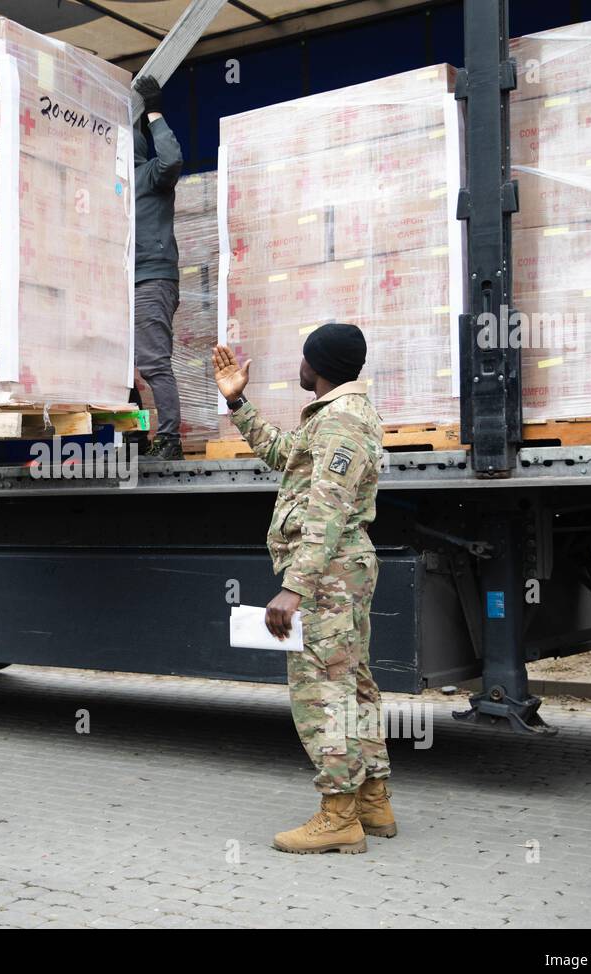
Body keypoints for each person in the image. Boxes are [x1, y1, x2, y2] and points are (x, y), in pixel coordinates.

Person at [212, 324, 395, 854]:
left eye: (303, 357)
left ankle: (339, 815)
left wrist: (294, 587)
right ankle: (372, 799)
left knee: (322, 691)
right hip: (339, 570)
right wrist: (238, 401)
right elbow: (283, 455)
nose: (299, 364)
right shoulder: (335, 417)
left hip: (327, 573)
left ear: (319, 365)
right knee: (354, 682)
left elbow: (327, 511)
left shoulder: (340, 422)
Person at [131, 74, 184, 460]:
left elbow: (172, 159)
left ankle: (169, 440)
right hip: (120, 283)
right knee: (121, 364)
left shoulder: (150, 174)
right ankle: (137, 434)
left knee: (152, 360)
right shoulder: (110, 185)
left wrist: (153, 112)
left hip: (151, 278)